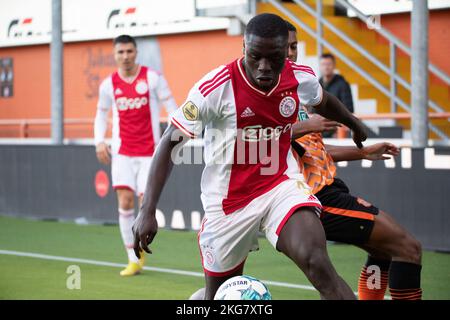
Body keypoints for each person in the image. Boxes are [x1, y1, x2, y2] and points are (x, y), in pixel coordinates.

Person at [133, 13, 369, 300]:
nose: (264, 67)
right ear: (244, 48)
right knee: (216, 296)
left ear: (287, 51)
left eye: (274, 57)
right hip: (227, 203)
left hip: (279, 186)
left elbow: (324, 100)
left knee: (317, 262)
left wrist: (354, 123)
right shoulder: (215, 89)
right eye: (256, 56)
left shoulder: (298, 76)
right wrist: (147, 210)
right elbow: (169, 142)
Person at [288, 25, 423, 300]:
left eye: (294, 46)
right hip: (315, 198)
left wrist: (364, 151)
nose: (291, 53)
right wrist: (304, 127)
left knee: (382, 250)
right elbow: (255, 141)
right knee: (408, 248)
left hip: (330, 188)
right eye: (285, 46)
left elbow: (315, 150)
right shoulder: (268, 97)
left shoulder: (300, 90)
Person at [94, 34, 177, 276]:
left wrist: (178, 137)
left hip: (149, 153)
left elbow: (173, 109)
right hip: (121, 153)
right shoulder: (108, 85)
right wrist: (99, 141)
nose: (125, 56)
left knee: (144, 204)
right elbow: (100, 114)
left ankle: (141, 249)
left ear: (136, 52)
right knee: (124, 202)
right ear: (115, 54)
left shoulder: (152, 79)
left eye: (129, 51)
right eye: (120, 52)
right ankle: (133, 258)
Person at [319, 53, 354, 137]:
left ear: (334, 66)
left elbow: (348, 109)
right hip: (319, 129)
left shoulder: (343, 84)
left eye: (329, 64)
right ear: (320, 67)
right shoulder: (317, 84)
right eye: (323, 64)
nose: (326, 67)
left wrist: (339, 130)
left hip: (336, 130)